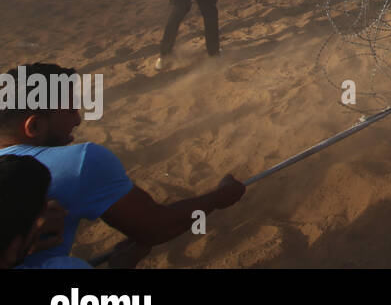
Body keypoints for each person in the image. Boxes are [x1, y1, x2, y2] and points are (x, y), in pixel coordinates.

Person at [0, 63, 246, 268]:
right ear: (34, 127)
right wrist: (218, 198)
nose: (77, 119)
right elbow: (155, 228)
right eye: (70, 110)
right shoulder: (81, 162)